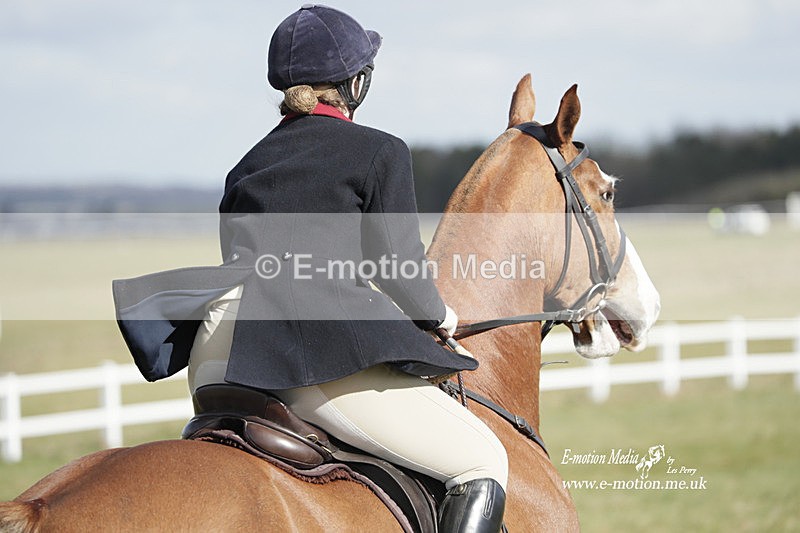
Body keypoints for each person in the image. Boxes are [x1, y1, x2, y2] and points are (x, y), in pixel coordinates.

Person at [114, 5, 507, 532]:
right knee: (483, 463)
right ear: (354, 83)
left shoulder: (246, 165)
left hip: (216, 356)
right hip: (298, 352)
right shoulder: (379, 151)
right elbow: (399, 270)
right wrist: (439, 317)